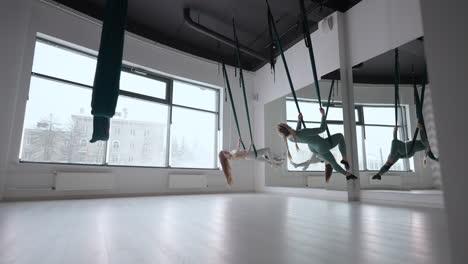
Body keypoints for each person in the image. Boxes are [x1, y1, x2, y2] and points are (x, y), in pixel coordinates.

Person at [277, 108, 358, 181]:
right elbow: (322, 129)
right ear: (287, 127)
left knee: (332, 163)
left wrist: (299, 120)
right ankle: (345, 159)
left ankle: (348, 175)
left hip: (313, 148)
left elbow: (296, 133)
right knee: (340, 136)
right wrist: (323, 115)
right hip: (321, 145)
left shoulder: (289, 138)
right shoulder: (303, 132)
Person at [372, 123, 438, 180]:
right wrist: (395, 131)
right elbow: (426, 152)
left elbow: (424, 141)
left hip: (407, 151)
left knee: (395, 143)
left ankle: (386, 164)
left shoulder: (426, 143)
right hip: (406, 152)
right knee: (394, 145)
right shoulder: (425, 144)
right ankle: (379, 174)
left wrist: (421, 129)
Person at [219, 139, 285, 185]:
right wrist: (251, 145)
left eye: (225, 151)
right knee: (268, 150)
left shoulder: (232, 152)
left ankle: (278, 163)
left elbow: (237, 148)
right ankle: (274, 163)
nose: (226, 151)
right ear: (225, 157)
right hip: (251, 155)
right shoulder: (234, 157)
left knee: (266, 160)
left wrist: (239, 142)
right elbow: (245, 154)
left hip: (250, 156)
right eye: (225, 153)